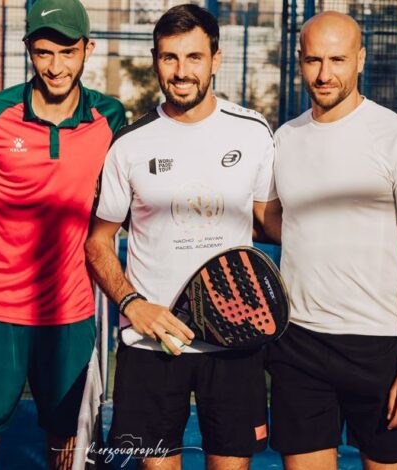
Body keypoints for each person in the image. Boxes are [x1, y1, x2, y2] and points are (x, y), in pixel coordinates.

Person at [0, 0, 126, 468]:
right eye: (43, 53)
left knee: (67, 451)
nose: (55, 66)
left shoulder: (111, 118)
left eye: (67, 52)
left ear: (88, 49)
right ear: (28, 51)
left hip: (70, 315)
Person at [85, 4, 281, 469]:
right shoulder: (130, 143)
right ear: (155, 60)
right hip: (152, 343)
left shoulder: (253, 132)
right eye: (169, 58)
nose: (181, 71)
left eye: (194, 57)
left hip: (234, 339)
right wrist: (133, 305)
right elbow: (98, 241)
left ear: (216, 59)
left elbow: (272, 223)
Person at [268, 11, 397, 469]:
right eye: (313, 61)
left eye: (338, 60)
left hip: (380, 346)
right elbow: (273, 222)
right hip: (299, 342)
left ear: (360, 60)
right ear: (300, 61)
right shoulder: (285, 139)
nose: (324, 74)